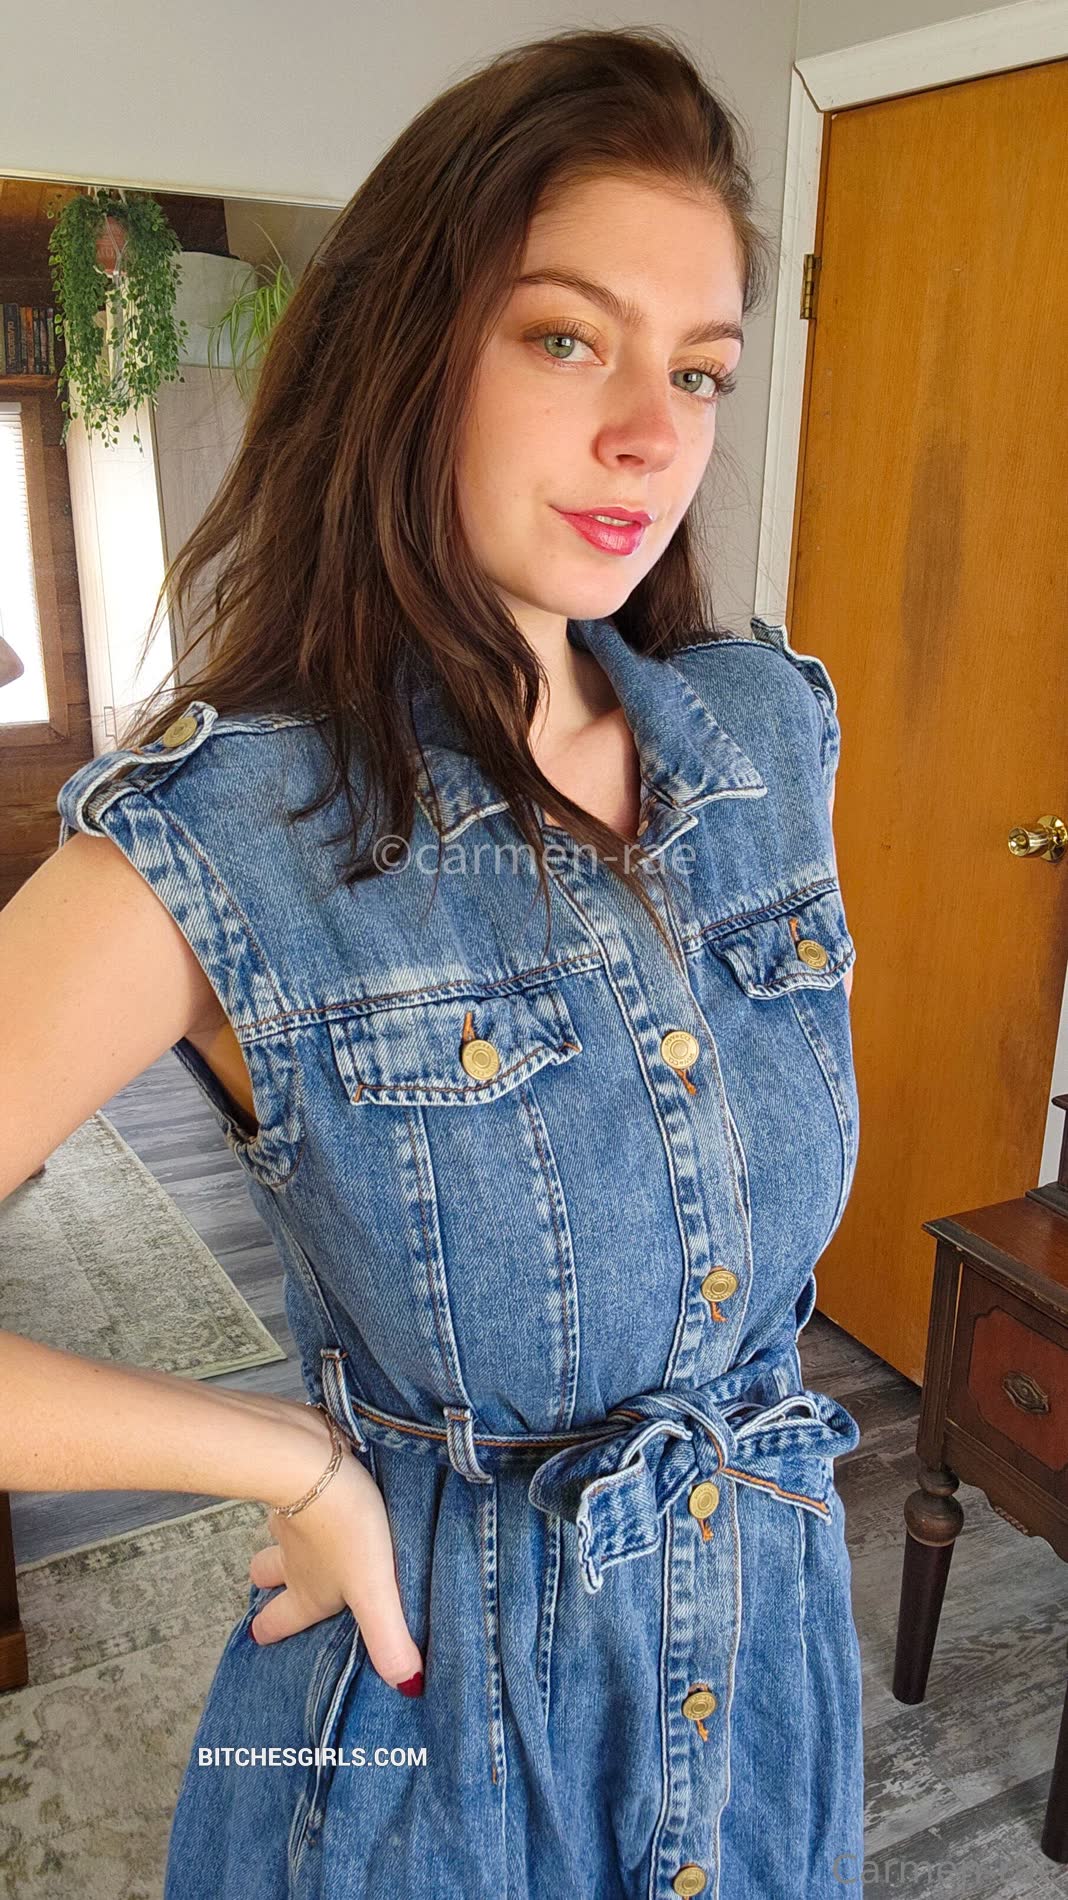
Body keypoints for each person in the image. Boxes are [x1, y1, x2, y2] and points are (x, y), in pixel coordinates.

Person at [0, 26, 863, 1899]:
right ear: (409, 351)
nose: (653, 433)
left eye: (698, 370)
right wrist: (286, 1462)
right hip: (433, 1739)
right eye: (565, 337)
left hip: (771, 1694)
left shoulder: (765, 739)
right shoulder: (234, 832)